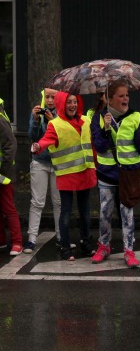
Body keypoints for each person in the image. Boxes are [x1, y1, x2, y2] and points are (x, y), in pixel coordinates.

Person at [90, 80, 140, 268]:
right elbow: (99, 146)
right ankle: (103, 246)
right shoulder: (98, 117)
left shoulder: (135, 117)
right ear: (110, 99)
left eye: (127, 95)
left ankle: (129, 250)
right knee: (105, 213)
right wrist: (106, 129)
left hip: (128, 173)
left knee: (127, 213)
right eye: (121, 96)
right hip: (107, 174)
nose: (126, 99)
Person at [31, 92, 96, 261]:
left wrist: (106, 127)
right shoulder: (55, 124)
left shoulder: (86, 121)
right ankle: (65, 247)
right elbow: (46, 140)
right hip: (67, 174)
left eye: (75, 102)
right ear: (62, 105)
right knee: (65, 213)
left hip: (85, 172)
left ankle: (86, 242)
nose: (73, 105)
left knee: (85, 213)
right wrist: (38, 146)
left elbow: (93, 142)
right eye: (69, 103)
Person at [24, 88, 66, 254]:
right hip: (40, 162)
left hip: (57, 163)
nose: (49, 100)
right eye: (47, 97)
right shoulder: (38, 114)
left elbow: (62, 137)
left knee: (58, 202)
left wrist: (53, 120)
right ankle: (31, 239)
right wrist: (35, 120)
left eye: (53, 97)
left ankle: (61, 238)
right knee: (37, 201)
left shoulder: (61, 115)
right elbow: (32, 136)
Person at [0, 98, 23, 256]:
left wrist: (3, 169)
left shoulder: (0, 119)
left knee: (8, 207)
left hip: (2, 172)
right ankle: (2, 240)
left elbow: (10, 144)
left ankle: (17, 242)